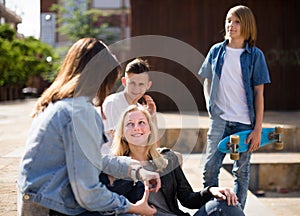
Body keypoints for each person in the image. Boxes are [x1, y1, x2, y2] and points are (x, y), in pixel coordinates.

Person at [17, 38, 162, 216]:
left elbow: (91, 159)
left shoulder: (58, 105)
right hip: (53, 207)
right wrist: (132, 207)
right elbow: (88, 193)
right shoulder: (79, 111)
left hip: (41, 202)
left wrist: (135, 169)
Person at [100, 105, 245, 216]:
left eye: (141, 122)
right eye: (130, 124)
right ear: (123, 134)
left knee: (226, 204)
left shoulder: (167, 159)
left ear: (150, 129)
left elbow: (188, 199)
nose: (136, 128)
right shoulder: (116, 168)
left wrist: (212, 190)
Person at [198, 5, 271, 209]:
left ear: (246, 25)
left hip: (244, 123)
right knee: (210, 170)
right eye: (229, 20)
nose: (231, 25)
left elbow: (259, 93)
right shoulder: (216, 51)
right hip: (219, 122)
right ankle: (211, 210)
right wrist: (209, 105)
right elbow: (207, 80)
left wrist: (257, 129)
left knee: (241, 172)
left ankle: (237, 212)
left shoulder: (255, 55)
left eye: (237, 21)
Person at [100, 58, 156, 152]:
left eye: (141, 84)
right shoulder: (112, 103)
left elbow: (153, 144)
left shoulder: (140, 108)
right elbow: (119, 144)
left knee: (175, 157)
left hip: (133, 156)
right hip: (113, 159)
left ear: (148, 85)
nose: (136, 88)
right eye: (132, 83)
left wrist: (151, 116)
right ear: (124, 82)